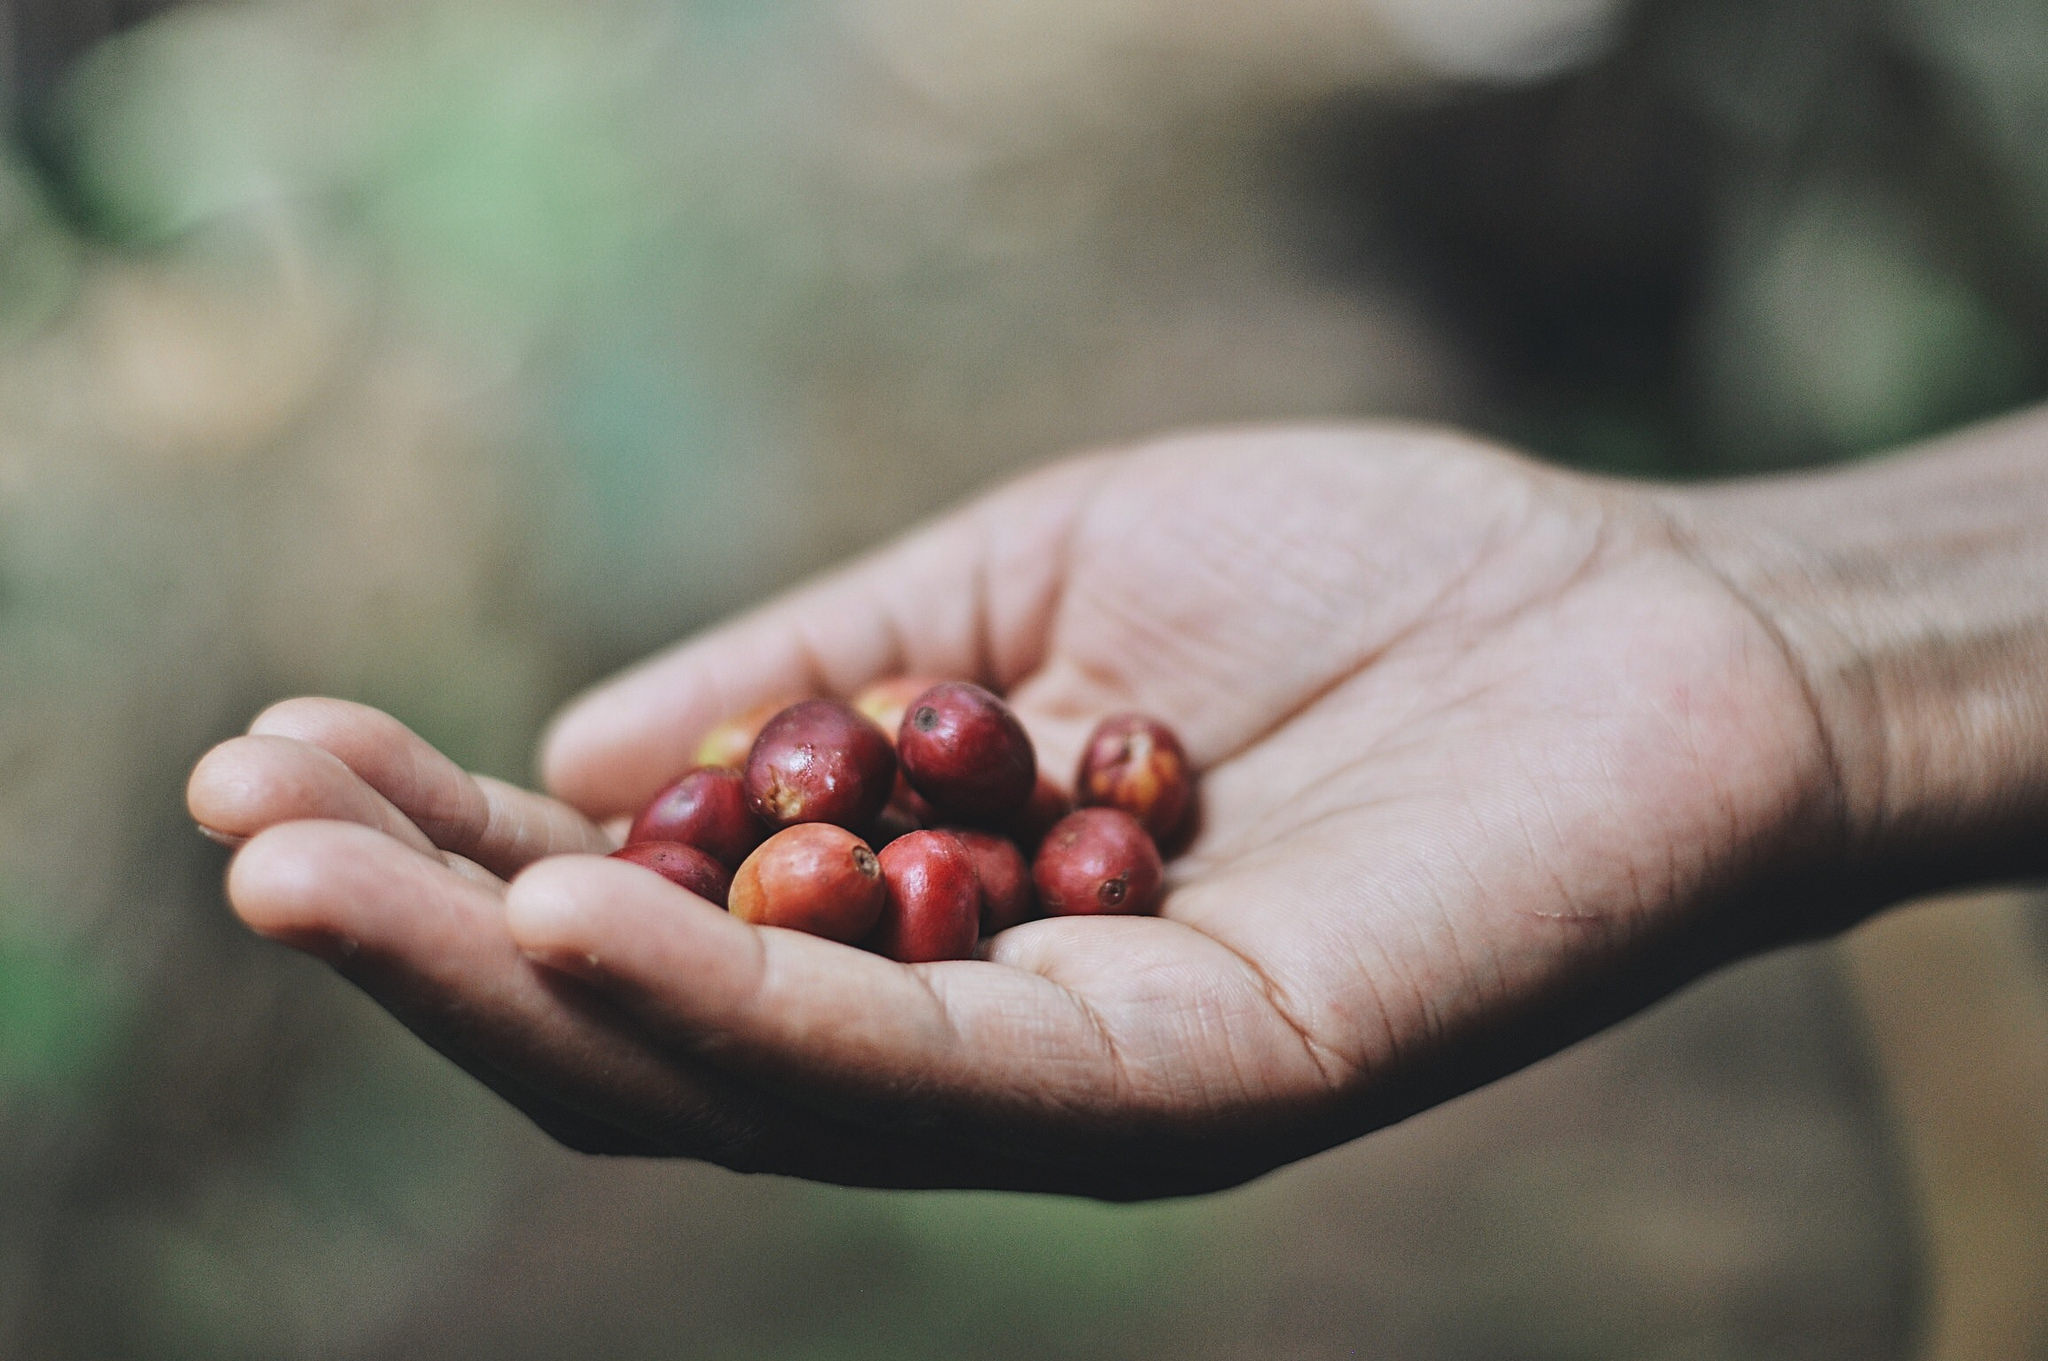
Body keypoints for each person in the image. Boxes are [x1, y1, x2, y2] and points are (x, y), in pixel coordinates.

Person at [184, 412, 2048, 1198]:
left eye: (835, 831)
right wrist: (1798, 653)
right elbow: (873, 825)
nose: (819, 827)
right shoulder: (857, 806)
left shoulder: (967, 812)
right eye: (813, 829)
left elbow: (964, 831)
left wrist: (1793, 658)